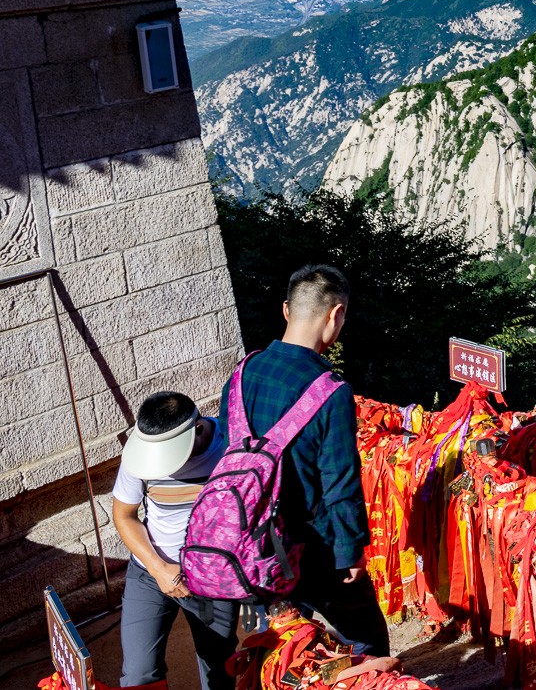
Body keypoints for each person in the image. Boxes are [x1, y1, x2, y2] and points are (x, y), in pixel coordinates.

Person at [218, 263, 388, 656]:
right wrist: (350, 552)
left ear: (286, 310)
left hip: (253, 543)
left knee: (287, 647)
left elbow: (228, 452)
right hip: (314, 547)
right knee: (367, 641)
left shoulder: (243, 373)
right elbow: (339, 481)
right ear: (336, 315)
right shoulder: (330, 391)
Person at [112, 391, 238, 690]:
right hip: (150, 572)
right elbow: (124, 515)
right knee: (139, 675)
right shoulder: (139, 454)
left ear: (197, 429)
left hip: (213, 580)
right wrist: (158, 569)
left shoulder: (231, 446)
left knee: (219, 668)